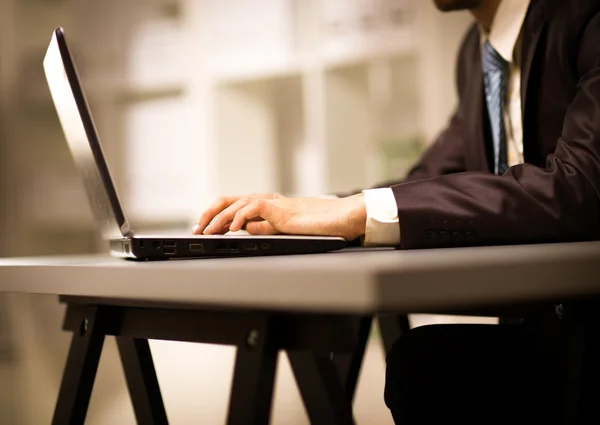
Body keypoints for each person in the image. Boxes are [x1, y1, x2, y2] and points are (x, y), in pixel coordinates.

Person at [194, 0, 600, 422]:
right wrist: (319, 212)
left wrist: (357, 212)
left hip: (581, 334)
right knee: (424, 364)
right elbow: (430, 175)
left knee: (424, 367)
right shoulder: (475, 53)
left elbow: (580, 185)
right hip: (541, 332)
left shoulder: (587, 18)